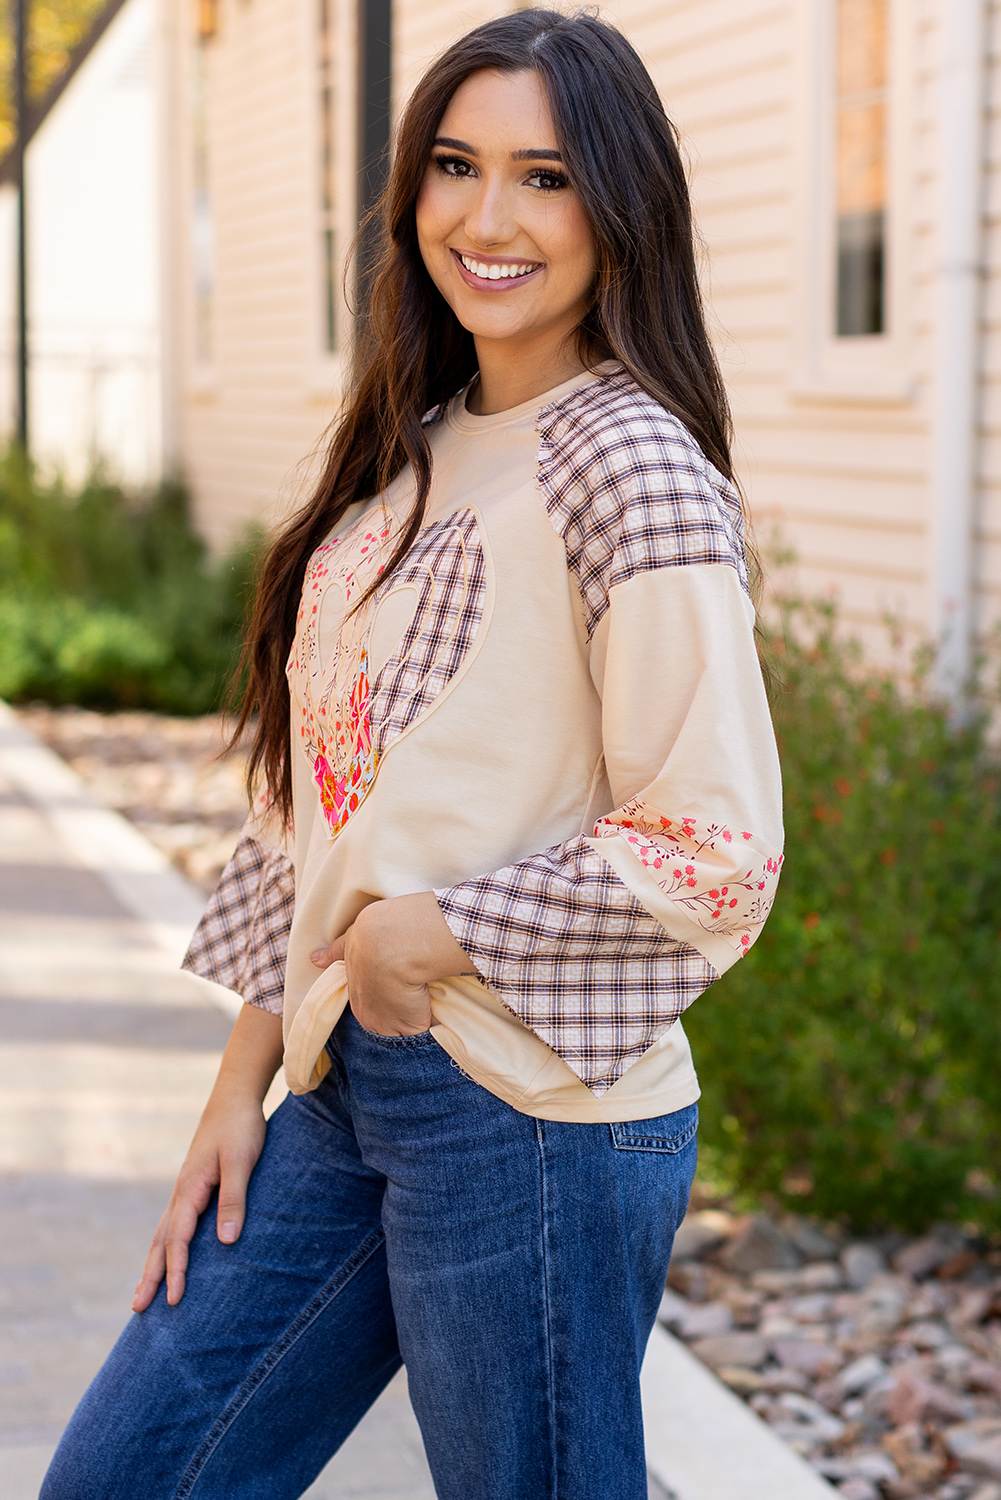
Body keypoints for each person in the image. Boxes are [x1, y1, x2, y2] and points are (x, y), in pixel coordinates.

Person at [41, 10, 783, 1499]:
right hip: (339, 1086)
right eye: (455, 165)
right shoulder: (413, 445)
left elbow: (715, 845)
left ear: (620, 208)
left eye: (545, 177)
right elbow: (315, 798)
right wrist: (240, 1082)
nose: (487, 219)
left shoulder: (630, 465)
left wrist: (425, 935)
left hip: (531, 1112)